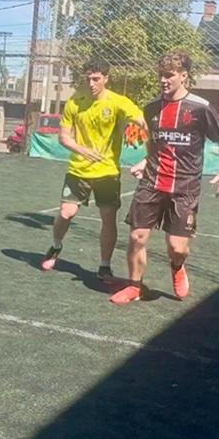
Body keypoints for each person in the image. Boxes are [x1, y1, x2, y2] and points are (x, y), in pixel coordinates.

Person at [113, 51, 219, 305]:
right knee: (137, 237)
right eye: (161, 75)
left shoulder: (200, 108)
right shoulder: (151, 108)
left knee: (177, 247)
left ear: (183, 76)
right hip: (152, 182)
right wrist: (146, 160)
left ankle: (177, 266)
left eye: (169, 75)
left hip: (185, 187)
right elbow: (153, 141)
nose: (163, 80)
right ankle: (134, 286)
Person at [39, 60, 147, 281]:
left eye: (96, 79)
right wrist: (82, 150)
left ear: (106, 78)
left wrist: (149, 153)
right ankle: (56, 245)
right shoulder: (74, 102)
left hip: (107, 172)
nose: (91, 83)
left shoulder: (119, 102)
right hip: (78, 171)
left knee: (108, 218)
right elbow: (64, 137)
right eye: (88, 78)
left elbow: (144, 122)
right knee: (66, 213)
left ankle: (104, 266)